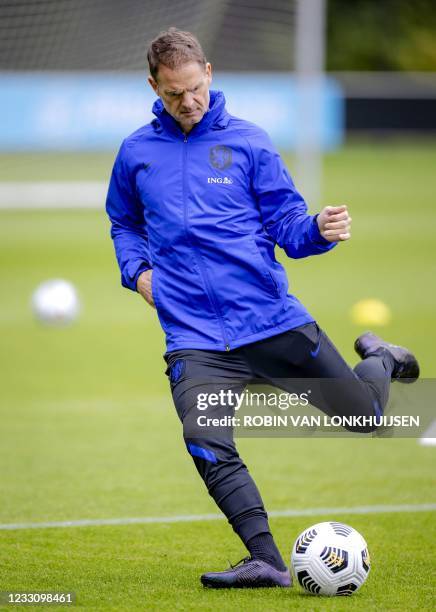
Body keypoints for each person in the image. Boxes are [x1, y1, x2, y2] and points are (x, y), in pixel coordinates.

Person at [105, 28, 419, 589]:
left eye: (196, 88)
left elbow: (288, 227)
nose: (188, 102)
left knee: (366, 417)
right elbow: (124, 223)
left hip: (270, 322)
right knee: (204, 438)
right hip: (195, 337)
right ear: (154, 86)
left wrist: (319, 229)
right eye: (174, 93)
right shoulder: (135, 152)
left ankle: (382, 359)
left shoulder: (250, 142)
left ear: (210, 73)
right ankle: (268, 562)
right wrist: (138, 272)